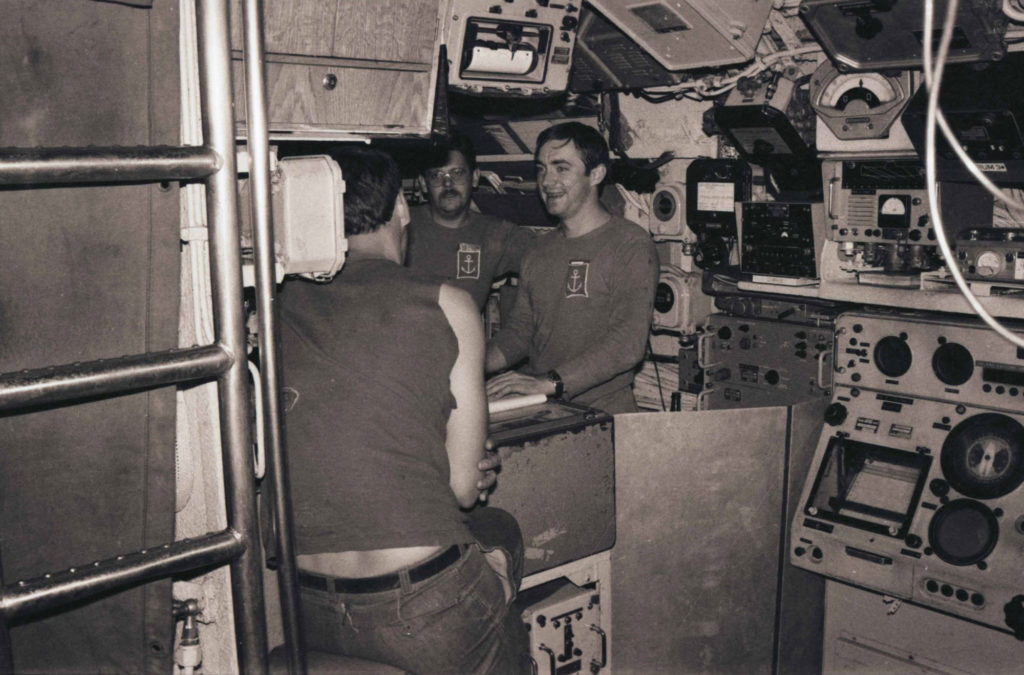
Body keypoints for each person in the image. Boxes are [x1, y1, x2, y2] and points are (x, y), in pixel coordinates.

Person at [279, 146, 529, 674]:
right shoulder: (447, 303)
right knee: (501, 530)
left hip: (304, 605)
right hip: (421, 607)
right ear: (401, 211)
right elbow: (464, 489)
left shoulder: (275, 305)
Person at [485, 122, 660, 414]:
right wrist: (472, 363)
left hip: (602, 414)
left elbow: (628, 343)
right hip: (545, 408)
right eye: (541, 169)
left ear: (597, 174)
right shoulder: (538, 250)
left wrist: (550, 382)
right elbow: (520, 331)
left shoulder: (630, 244)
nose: (547, 180)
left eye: (561, 168)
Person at [405, 130, 535, 311]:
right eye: (436, 175)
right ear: (423, 183)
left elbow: (551, 258)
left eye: (457, 173)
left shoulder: (497, 234)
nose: (448, 184)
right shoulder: (401, 226)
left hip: (464, 338)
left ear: (474, 177)